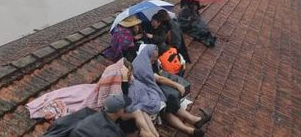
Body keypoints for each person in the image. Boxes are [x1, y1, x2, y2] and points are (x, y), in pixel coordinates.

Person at [27, 58, 158, 137]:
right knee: (138, 114)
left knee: (139, 112)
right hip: (114, 117)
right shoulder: (115, 77)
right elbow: (119, 95)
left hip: (111, 114)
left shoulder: (92, 114)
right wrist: (124, 81)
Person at [129, 45, 211, 137]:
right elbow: (158, 78)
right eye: (152, 59)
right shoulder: (142, 66)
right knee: (167, 108)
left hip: (152, 90)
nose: (153, 61)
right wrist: (176, 85)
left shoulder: (147, 61)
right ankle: (191, 127)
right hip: (147, 94)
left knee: (169, 106)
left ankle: (194, 123)